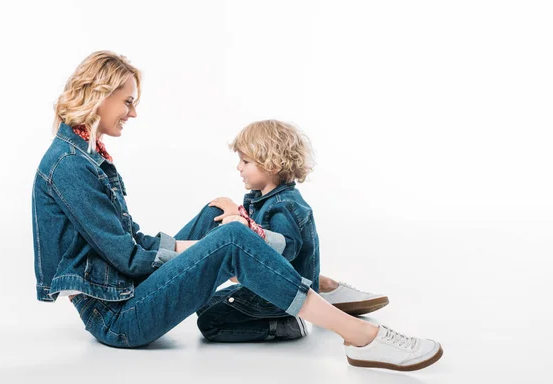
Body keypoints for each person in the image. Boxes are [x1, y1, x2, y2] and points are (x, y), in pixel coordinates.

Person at [31, 50, 443, 371]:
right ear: (100, 96)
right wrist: (216, 244)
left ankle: (315, 282)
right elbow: (128, 256)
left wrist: (216, 236)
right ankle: (361, 337)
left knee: (217, 215)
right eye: (128, 101)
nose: (133, 113)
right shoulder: (69, 166)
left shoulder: (86, 156)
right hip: (118, 318)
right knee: (231, 237)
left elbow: (131, 241)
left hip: (124, 294)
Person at [195, 119, 387, 342]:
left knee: (210, 323)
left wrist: (243, 224)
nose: (239, 167)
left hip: (282, 293)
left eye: (245, 161)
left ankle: (285, 324)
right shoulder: (261, 200)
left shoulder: (285, 205)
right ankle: (277, 318)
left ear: (272, 165)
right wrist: (238, 214)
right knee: (204, 304)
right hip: (262, 287)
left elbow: (286, 247)